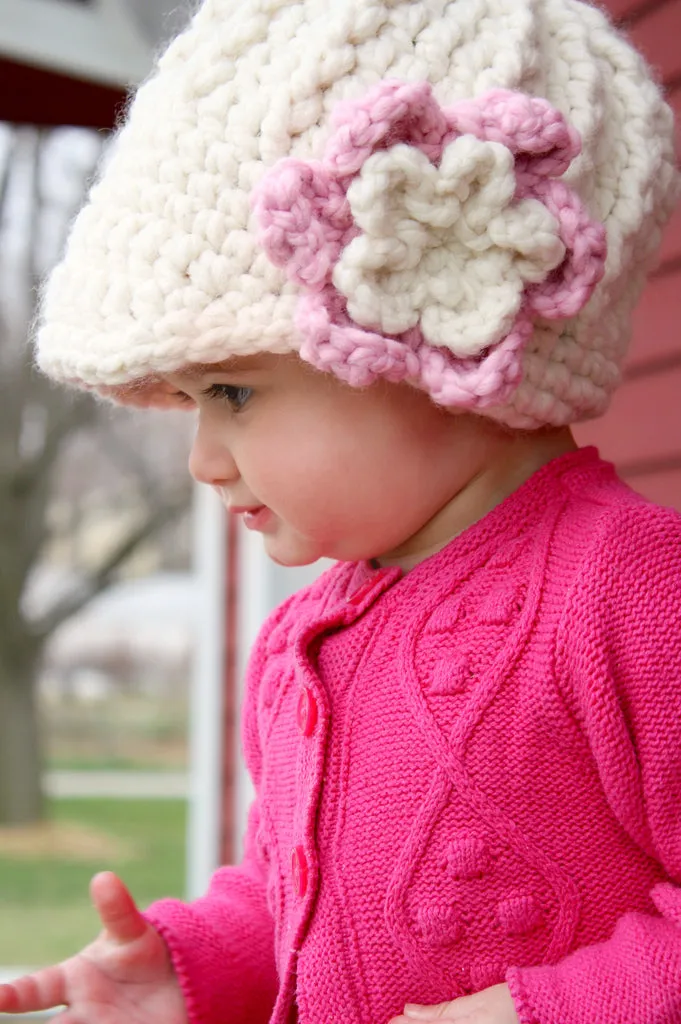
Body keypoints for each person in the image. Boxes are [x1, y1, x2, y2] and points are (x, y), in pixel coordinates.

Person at [1, 0, 680, 1021]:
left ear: (437, 341)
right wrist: (195, 966)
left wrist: (546, 1008)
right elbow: (301, 897)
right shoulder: (300, 639)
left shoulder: (629, 589)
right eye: (188, 403)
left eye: (232, 392)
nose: (202, 459)